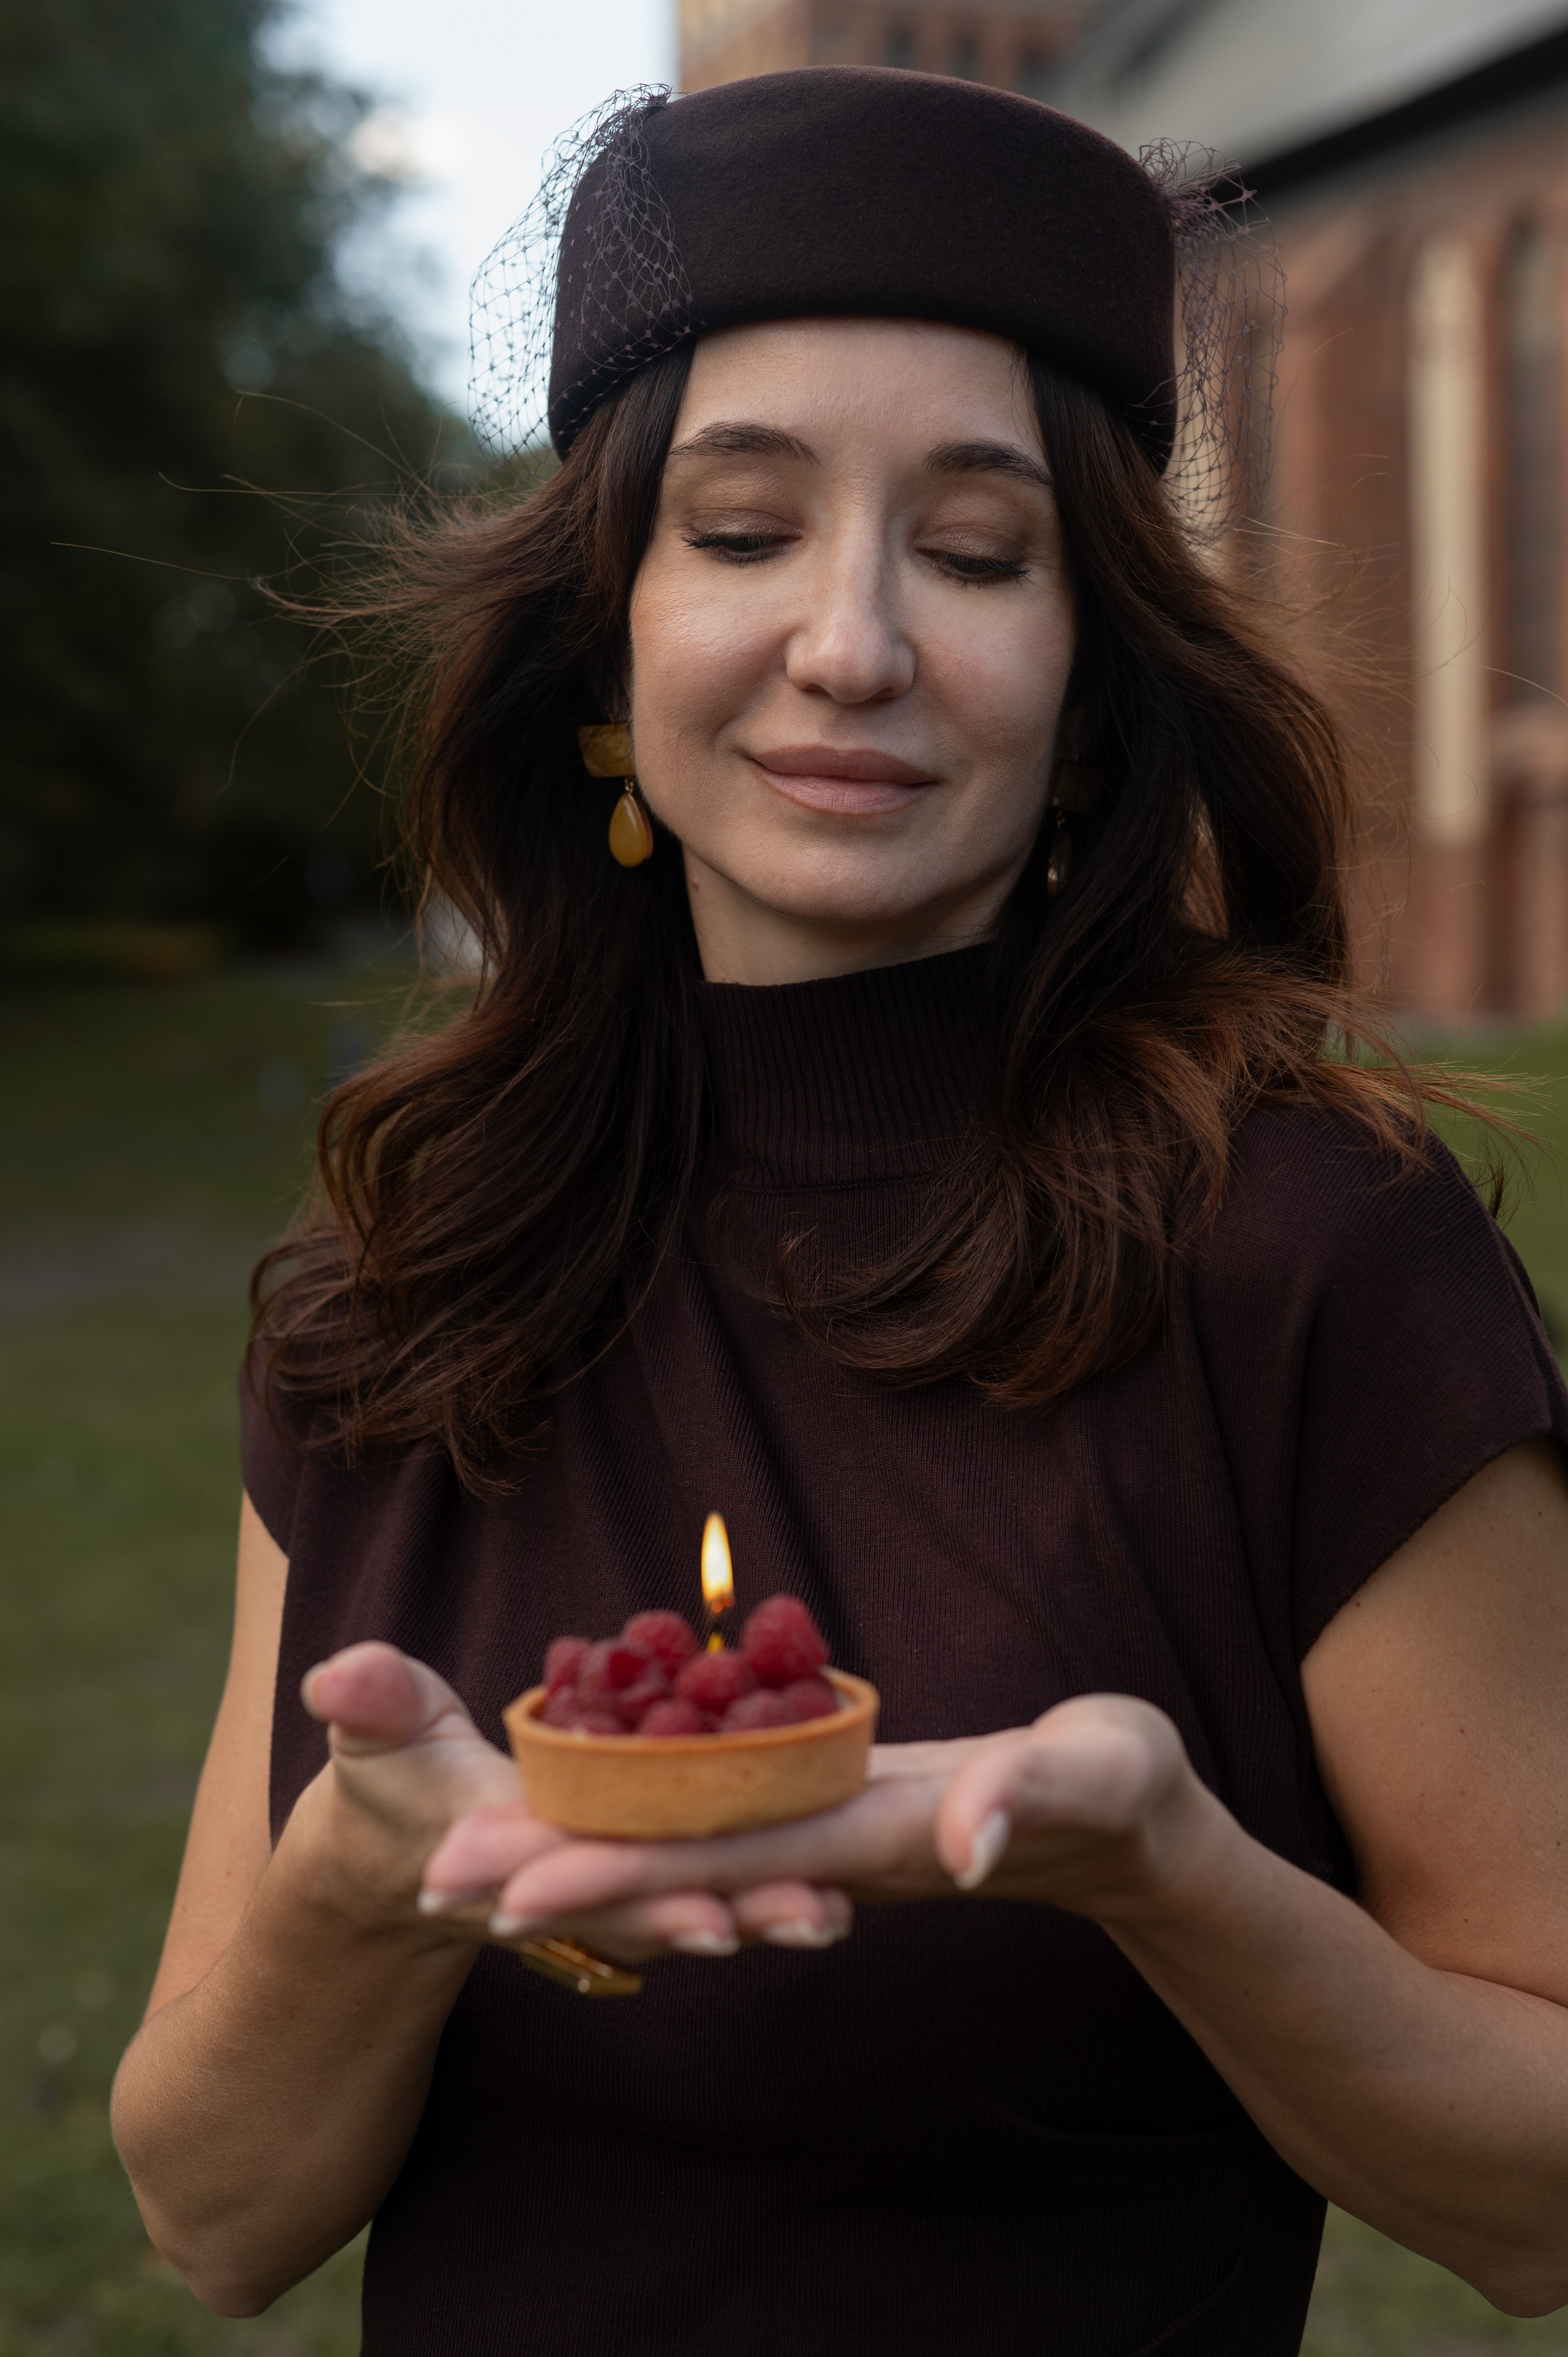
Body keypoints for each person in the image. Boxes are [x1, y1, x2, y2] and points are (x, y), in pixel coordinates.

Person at [112, 67, 1568, 2357]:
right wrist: (372, 1882)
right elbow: (214, 2218)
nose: (857, 644)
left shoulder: (1311, 1255)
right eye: (744, 526)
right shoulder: (394, 1283)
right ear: (599, 644)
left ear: (1091, 680)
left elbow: (1546, 2207)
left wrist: (1172, 1876)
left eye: (981, 552)